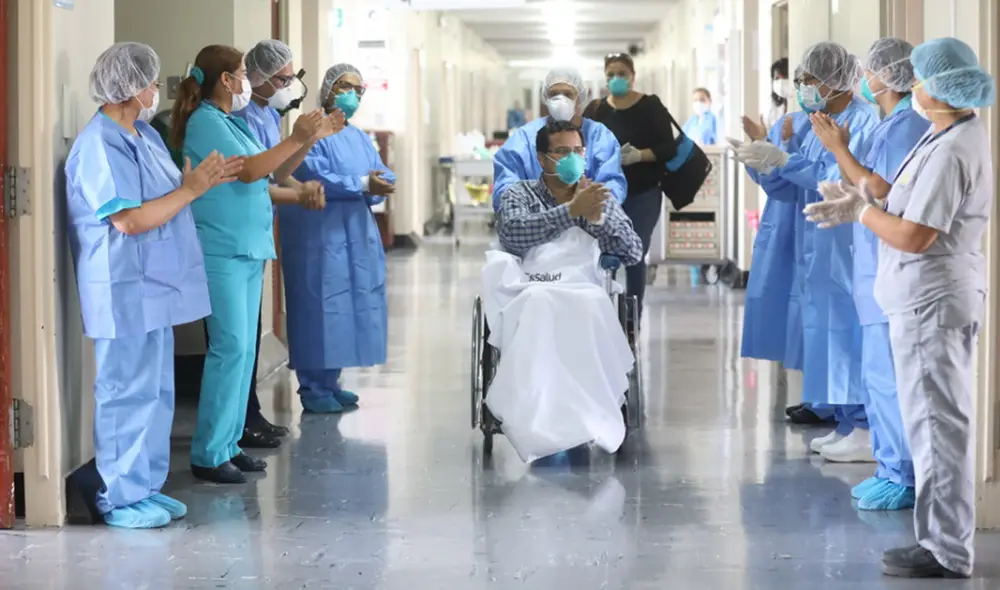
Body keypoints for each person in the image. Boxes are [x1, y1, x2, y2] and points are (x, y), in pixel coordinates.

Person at [805, 36, 995, 580]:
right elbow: (896, 194)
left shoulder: (956, 148)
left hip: (933, 302)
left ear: (939, 87)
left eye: (920, 81)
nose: (913, 88)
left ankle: (946, 550)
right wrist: (860, 191)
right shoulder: (945, 136)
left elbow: (914, 235)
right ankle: (937, 539)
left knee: (939, 428)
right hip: (922, 301)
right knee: (930, 425)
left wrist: (860, 214)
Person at [64, 43, 241, 528]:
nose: (154, 89)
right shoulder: (100, 144)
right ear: (125, 87)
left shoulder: (142, 134)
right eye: (147, 81)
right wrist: (190, 190)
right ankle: (118, 497)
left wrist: (192, 186)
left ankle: (144, 487)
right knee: (125, 392)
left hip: (154, 286)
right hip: (122, 288)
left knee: (157, 393)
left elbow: (168, 195)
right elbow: (129, 221)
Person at [170, 44, 327, 484]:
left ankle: (228, 443)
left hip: (246, 247)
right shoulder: (204, 123)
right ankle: (208, 452)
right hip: (221, 248)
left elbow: (266, 175)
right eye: (241, 73)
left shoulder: (228, 123)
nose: (246, 82)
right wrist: (297, 138)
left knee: (244, 353)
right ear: (225, 80)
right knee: (230, 348)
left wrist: (301, 144)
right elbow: (251, 172)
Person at [730, 42, 880, 458]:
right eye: (799, 81)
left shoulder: (861, 121)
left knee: (845, 331)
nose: (802, 88)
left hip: (842, 241)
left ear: (835, 81)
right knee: (823, 334)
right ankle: (845, 420)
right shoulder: (811, 121)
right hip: (811, 241)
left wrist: (782, 158)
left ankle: (864, 427)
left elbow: (834, 178)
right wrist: (761, 157)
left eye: (809, 80)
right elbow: (784, 184)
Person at [809, 38, 929, 508]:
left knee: (888, 377)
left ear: (888, 75)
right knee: (880, 375)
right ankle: (892, 466)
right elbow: (874, 185)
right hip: (875, 265)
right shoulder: (891, 124)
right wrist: (846, 186)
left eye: (874, 68)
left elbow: (880, 186)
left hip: (891, 268)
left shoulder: (903, 125)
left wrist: (839, 150)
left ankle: (900, 474)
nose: (867, 74)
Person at [487, 120, 643, 461]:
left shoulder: (597, 194)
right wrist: (570, 212)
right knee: (540, 303)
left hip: (583, 284)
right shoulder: (519, 193)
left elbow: (633, 251)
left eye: (577, 151)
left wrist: (597, 217)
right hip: (532, 284)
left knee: (589, 304)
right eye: (562, 152)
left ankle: (585, 414)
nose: (571, 158)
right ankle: (539, 418)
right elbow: (514, 233)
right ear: (543, 159)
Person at [229, 39, 345, 448]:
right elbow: (256, 180)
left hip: (253, 237)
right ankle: (236, 425)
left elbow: (278, 173)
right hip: (232, 237)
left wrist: (309, 140)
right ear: (255, 77)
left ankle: (247, 417)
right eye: (282, 78)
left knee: (246, 339)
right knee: (232, 344)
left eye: (294, 77)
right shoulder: (238, 118)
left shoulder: (263, 115)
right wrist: (299, 191)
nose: (289, 86)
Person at [287, 63, 394, 413]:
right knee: (319, 308)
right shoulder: (310, 132)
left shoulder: (358, 136)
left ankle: (331, 382)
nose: (352, 95)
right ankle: (313, 387)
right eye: (344, 87)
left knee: (346, 308)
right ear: (327, 89)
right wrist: (363, 184)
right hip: (319, 233)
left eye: (358, 89)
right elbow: (312, 175)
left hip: (356, 234)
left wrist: (379, 184)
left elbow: (379, 171)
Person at [584, 52, 676, 315]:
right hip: (605, 193)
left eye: (622, 74)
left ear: (633, 77)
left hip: (643, 191)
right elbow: (583, 145)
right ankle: (603, 312)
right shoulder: (597, 110)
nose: (616, 79)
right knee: (604, 253)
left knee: (635, 251)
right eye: (610, 75)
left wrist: (638, 155)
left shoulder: (650, 107)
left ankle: (632, 316)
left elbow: (667, 148)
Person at [492, 66, 625, 211]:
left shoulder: (599, 136)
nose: (561, 99)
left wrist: (595, 205)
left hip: (589, 221)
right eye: (554, 94)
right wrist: (530, 211)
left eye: (568, 94)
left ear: (578, 98)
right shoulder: (524, 138)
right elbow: (506, 183)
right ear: (546, 99)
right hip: (537, 223)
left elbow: (612, 183)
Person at [768, 58, 792, 127]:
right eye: (777, 78)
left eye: (784, 77)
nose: (781, 82)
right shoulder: (775, 109)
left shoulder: (800, 105)